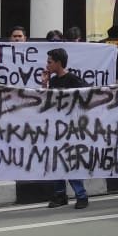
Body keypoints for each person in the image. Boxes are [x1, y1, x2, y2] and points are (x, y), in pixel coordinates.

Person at [43, 48, 91, 210]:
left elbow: (88, 95)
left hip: (71, 130)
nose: (47, 65)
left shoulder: (74, 80)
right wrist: (45, 84)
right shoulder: (54, 81)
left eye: (50, 62)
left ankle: (81, 195)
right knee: (56, 162)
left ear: (58, 63)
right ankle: (60, 194)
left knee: (71, 162)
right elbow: (46, 103)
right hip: (56, 130)